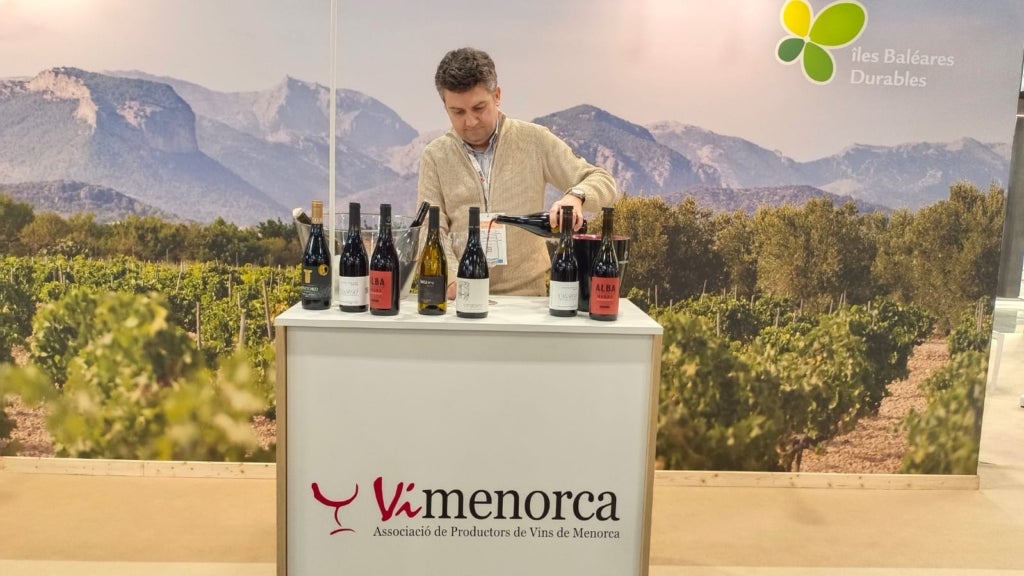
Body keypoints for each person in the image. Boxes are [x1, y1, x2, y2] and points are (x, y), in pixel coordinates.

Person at [416, 47, 617, 297]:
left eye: (479, 108)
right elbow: (430, 229)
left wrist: (576, 196)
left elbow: (603, 180)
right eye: (458, 112)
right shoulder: (435, 156)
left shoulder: (535, 140)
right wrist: (454, 283)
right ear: (445, 106)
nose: (470, 121)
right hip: (460, 299)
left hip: (527, 300)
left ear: (497, 96)